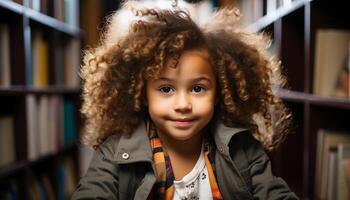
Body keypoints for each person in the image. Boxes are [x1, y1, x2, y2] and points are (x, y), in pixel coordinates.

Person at [72, 1, 298, 199]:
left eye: (198, 88)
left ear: (220, 93)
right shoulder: (114, 152)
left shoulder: (242, 148)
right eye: (166, 88)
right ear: (142, 94)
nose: (183, 104)